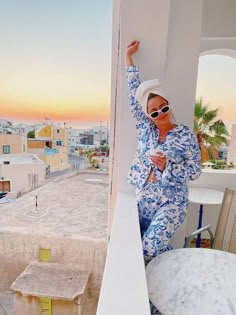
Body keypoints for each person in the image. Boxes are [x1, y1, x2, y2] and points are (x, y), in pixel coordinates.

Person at [125, 40, 202, 263]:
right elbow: (134, 97)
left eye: (163, 107)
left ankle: (173, 265)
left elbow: (195, 171)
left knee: (148, 248)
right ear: (148, 116)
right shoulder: (145, 129)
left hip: (172, 202)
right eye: (154, 112)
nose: (160, 113)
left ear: (169, 105)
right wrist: (128, 58)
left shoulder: (185, 135)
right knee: (137, 247)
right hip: (145, 198)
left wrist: (167, 166)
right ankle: (168, 271)